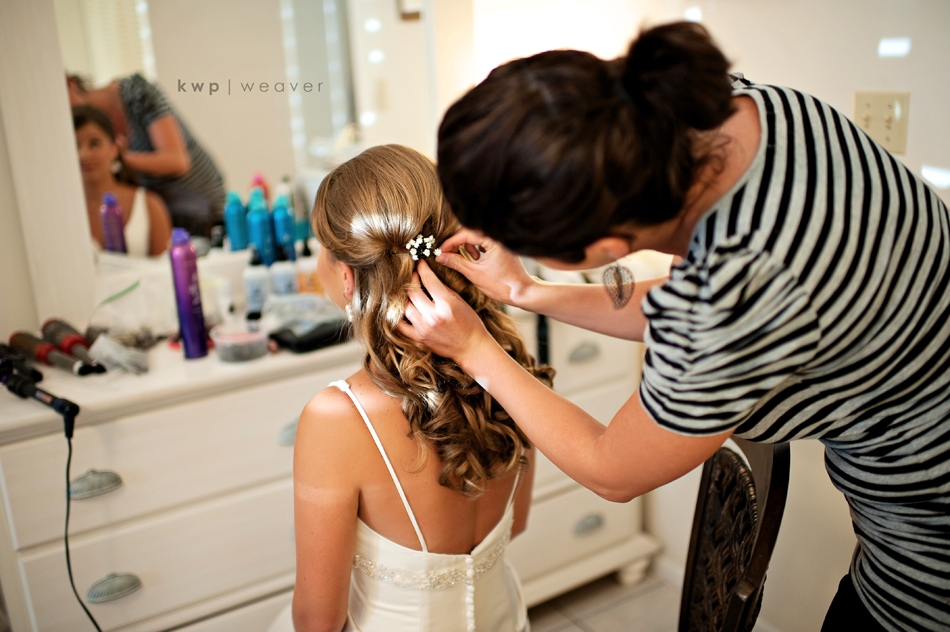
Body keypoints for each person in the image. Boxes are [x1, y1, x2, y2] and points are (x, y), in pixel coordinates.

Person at [401, 21, 950, 632]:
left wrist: (475, 350)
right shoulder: (738, 110)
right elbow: (693, 300)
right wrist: (528, 291)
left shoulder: (735, 294)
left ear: (609, 248)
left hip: (929, 558)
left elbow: (611, 469)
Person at [277, 144, 553, 632]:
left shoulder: (336, 418)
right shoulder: (510, 366)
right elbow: (521, 522)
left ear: (347, 276)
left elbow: (318, 621)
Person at [67, 73, 226, 239]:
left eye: (94, 144)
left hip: (199, 205)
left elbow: (178, 162)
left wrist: (119, 157)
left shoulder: (136, 92)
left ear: (70, 83)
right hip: (163, 209)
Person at [73, 104, 172, 257]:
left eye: (94, 144)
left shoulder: (149, 205)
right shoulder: (63, 211)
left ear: (114, 148)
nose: (84, 155)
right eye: (75, 146)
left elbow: (164, 267)